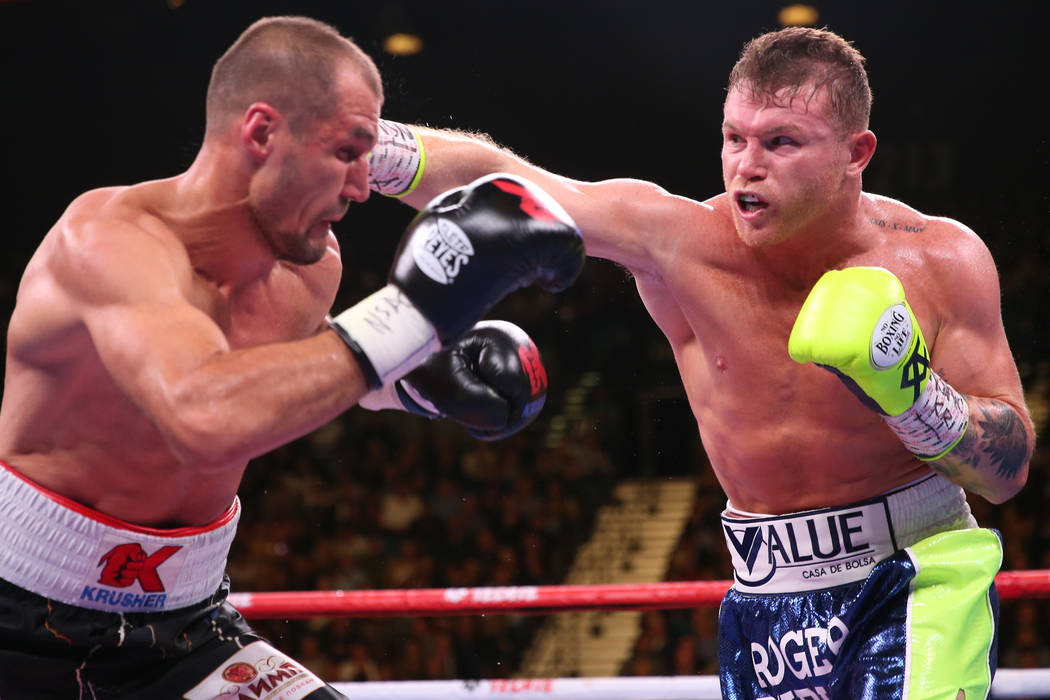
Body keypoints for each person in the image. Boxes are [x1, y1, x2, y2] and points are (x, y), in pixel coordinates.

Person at [366, 26, 1035, 699]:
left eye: (781, 141)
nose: (747, 164)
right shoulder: (681, 246)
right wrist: (358, 148)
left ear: (856, 153)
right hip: (764, 600)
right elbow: (510, 182)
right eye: (734, 138)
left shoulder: (942, 261)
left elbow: (1007, 472)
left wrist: (915, 396)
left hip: (918, 573)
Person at [0, 16, 584, 700]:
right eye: (347, 152)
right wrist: (414, 314)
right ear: (260, 132)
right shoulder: (106, 243)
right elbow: (202, 416)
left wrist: (416, 381)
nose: (363, 186)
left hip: (186, 626)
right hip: (16, 617)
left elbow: (289, 370)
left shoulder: (310, 269)